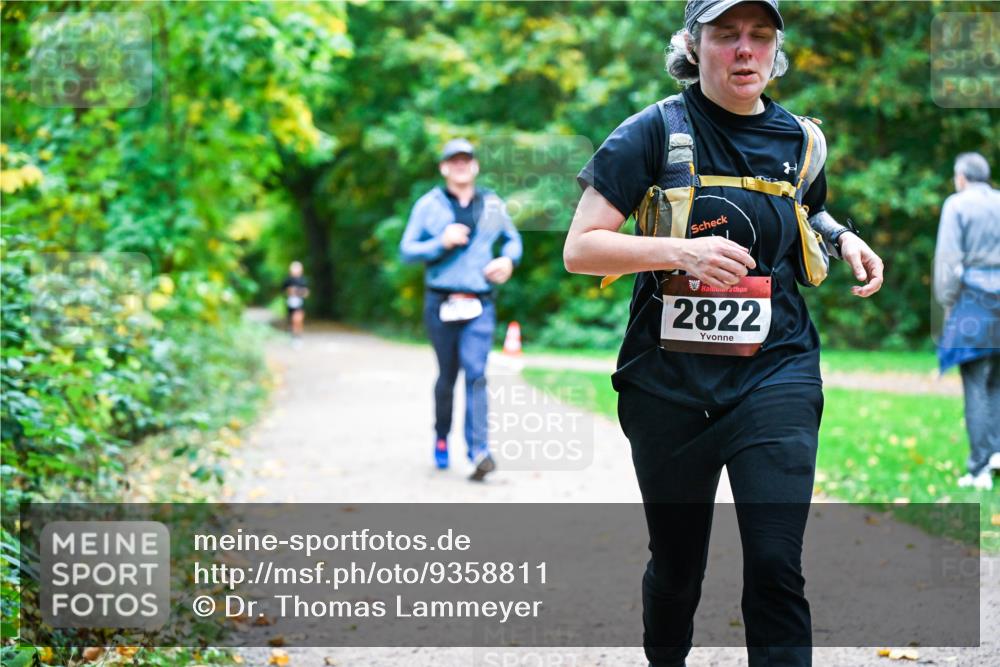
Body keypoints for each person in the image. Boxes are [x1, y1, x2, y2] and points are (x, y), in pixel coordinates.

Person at [563, 1, 884, 665]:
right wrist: (682, 254)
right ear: (693, 44)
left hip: (777, 371)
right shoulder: (650, 133)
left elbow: (807, 209)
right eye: (726, 35)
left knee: (775, 563)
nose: (745, 51)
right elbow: (581, 248)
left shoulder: (802, 141)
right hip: (669, 386)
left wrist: (844, 236)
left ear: (776, 50)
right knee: (678, 569)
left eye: (759, 37)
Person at [400, 138, 523, 480]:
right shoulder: (429, 205)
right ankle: (441, 436)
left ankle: (479, 451)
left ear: (475, 166)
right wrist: (440, 241)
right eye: (453, 161)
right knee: (447, 376)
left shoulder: (492, 203)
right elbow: (407, 250)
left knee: (476, 373)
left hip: (478, 303)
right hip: (440, 301)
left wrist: (507, 260)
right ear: (443, 168)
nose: (460, 165)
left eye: (465, 160)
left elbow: (513, 240)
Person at [933, 152, 1000, 491]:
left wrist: (947, 301)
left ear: (961, 177)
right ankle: (997, 453)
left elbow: (948, 259)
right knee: (998, 382)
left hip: (975, 302)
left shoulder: (957, 205)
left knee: (976, 383)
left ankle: (979, 470)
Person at [281, 261, 309, 341]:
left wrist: (297, 292)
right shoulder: (287, 280)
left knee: (298, 319)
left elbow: (306, 293)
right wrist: (289, 292)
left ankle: (298, 336)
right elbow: (283, 292)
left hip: (300, 303)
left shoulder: (303, 280)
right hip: (290, 303)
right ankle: (294, 336)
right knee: (293, 320)